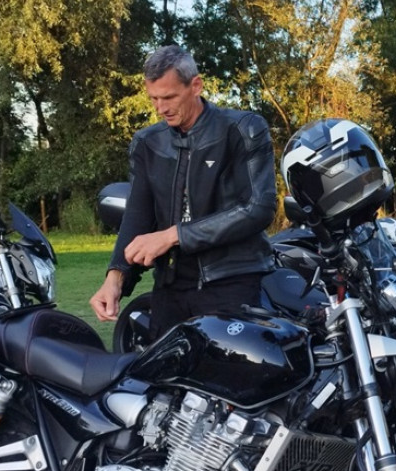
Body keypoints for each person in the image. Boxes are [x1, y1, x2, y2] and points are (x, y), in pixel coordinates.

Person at [90, 44, 277, 339]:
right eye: (154, 98)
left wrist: (172, 235)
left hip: (232, 283)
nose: (160, 108)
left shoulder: (243, 129)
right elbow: (138, 216)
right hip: (170, 289)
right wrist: (116, 277)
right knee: (163, 368)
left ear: (196, 86)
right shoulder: (147, 143)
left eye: (169, 97)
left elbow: (258, 208)